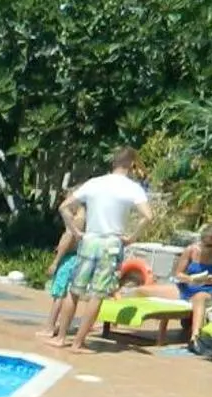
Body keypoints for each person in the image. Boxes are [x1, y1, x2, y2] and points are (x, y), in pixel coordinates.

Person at [54, 147, 149, 352]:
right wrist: (132, 237)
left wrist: (75, 232)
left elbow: (64, 207)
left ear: (113, 163)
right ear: (131, 165)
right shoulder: (132, 188)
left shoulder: (95, 183)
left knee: (75, 290)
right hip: (111, 244)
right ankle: (78, 343)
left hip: (90, 239)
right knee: (97, 294)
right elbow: (148, 216)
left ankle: (61, 337)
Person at [38, 202, 86, 340]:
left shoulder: (75, 222)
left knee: (58, 293)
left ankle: (50, 327)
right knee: (66, 294)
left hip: (67, 259)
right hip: (77, 258)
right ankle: (57, 325)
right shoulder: (85, 220)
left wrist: (55, 262)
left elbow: (67, 241)